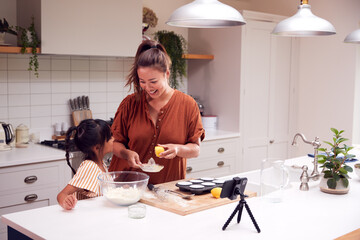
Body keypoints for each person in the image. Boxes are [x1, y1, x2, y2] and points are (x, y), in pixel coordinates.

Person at [109, 39, 205, 184]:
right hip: (129, 187)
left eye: (153, 81)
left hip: (168, 188)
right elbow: (114, 143)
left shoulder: (188, 105)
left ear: (166, 74)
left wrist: (178, 149)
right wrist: (126, 153)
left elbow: (195, 149)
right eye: (142, 81)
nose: (147, 87)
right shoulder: (130, 104)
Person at [57, 119, 114, 210]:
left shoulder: (102, 165)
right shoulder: (89, 167)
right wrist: (66, 201)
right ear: (97, 147)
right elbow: (62, 194)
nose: (114, 139)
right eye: (110, 137)